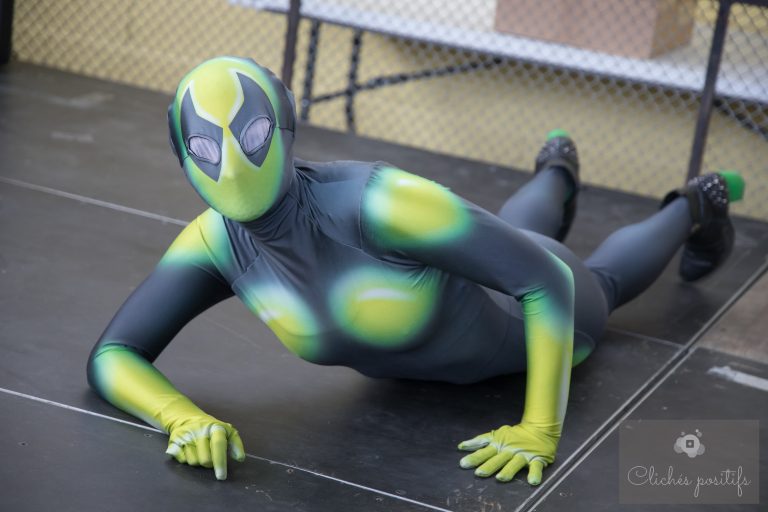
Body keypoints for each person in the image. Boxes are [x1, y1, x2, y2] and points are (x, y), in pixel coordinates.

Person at [86, 56, 745, 485]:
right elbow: (114, 355)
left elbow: (547, 283)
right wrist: (181, 417)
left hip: (528, 323)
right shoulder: (214, 242)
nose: (232, 165)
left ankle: (694, 203)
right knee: (515, 229)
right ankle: (556, 171)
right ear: (182, 154)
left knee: (598, 279)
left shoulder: (381, 203)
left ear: (284, 127)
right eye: (206, 147)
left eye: (252, 137)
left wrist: (539, 428)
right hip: (450, 311)